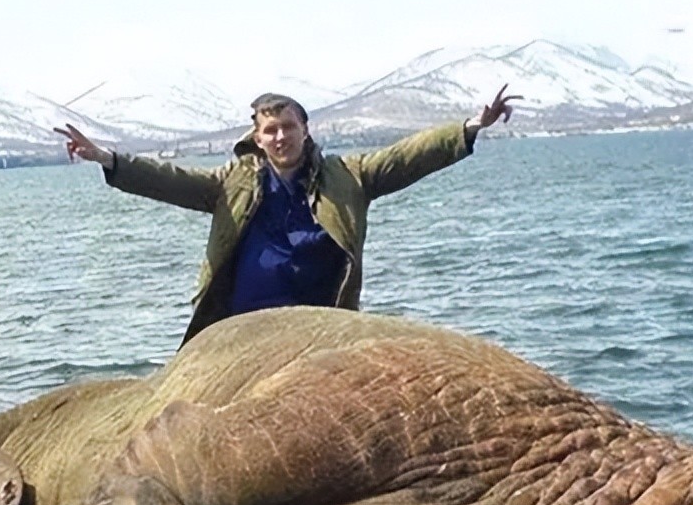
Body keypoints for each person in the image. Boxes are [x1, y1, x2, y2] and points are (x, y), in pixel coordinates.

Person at [55, 85, 520, 345]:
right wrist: (109, 159)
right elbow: (170, 179)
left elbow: (406, 156)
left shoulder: (350, 176)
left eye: (288, 127)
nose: (280, 137)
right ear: (257, 137)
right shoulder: (230, 183)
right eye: (271, 130)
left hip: (321, 327)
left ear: (306, 130)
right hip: (242, 328)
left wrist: (470, 128)